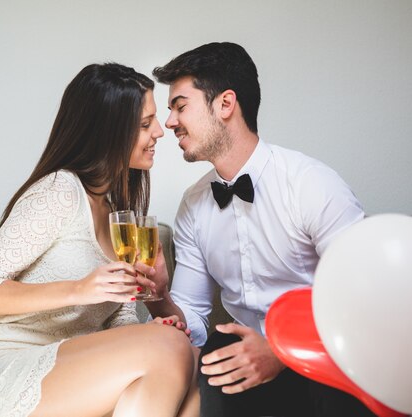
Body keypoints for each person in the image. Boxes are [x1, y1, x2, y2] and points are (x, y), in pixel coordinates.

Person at [0, 63, 199, 417]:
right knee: (171, 347)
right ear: (107, 131)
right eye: (145, 124)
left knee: (190, 359)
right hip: (2, 371)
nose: (159, 131)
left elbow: (120, 321)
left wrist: (158, 298)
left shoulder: (119, 216)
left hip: (70, 376)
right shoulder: (59, 191)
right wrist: (80, 289)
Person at [141, 42, 375, 417]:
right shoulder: (194, 205)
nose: (169, 123)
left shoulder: (311, 184)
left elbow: (362, 299)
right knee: (214, 359)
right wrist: (159, 298)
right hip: (246, 359)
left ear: (226, 104)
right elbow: (194, 321)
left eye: (180, 106)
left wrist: (282, 351)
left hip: (329, 352)